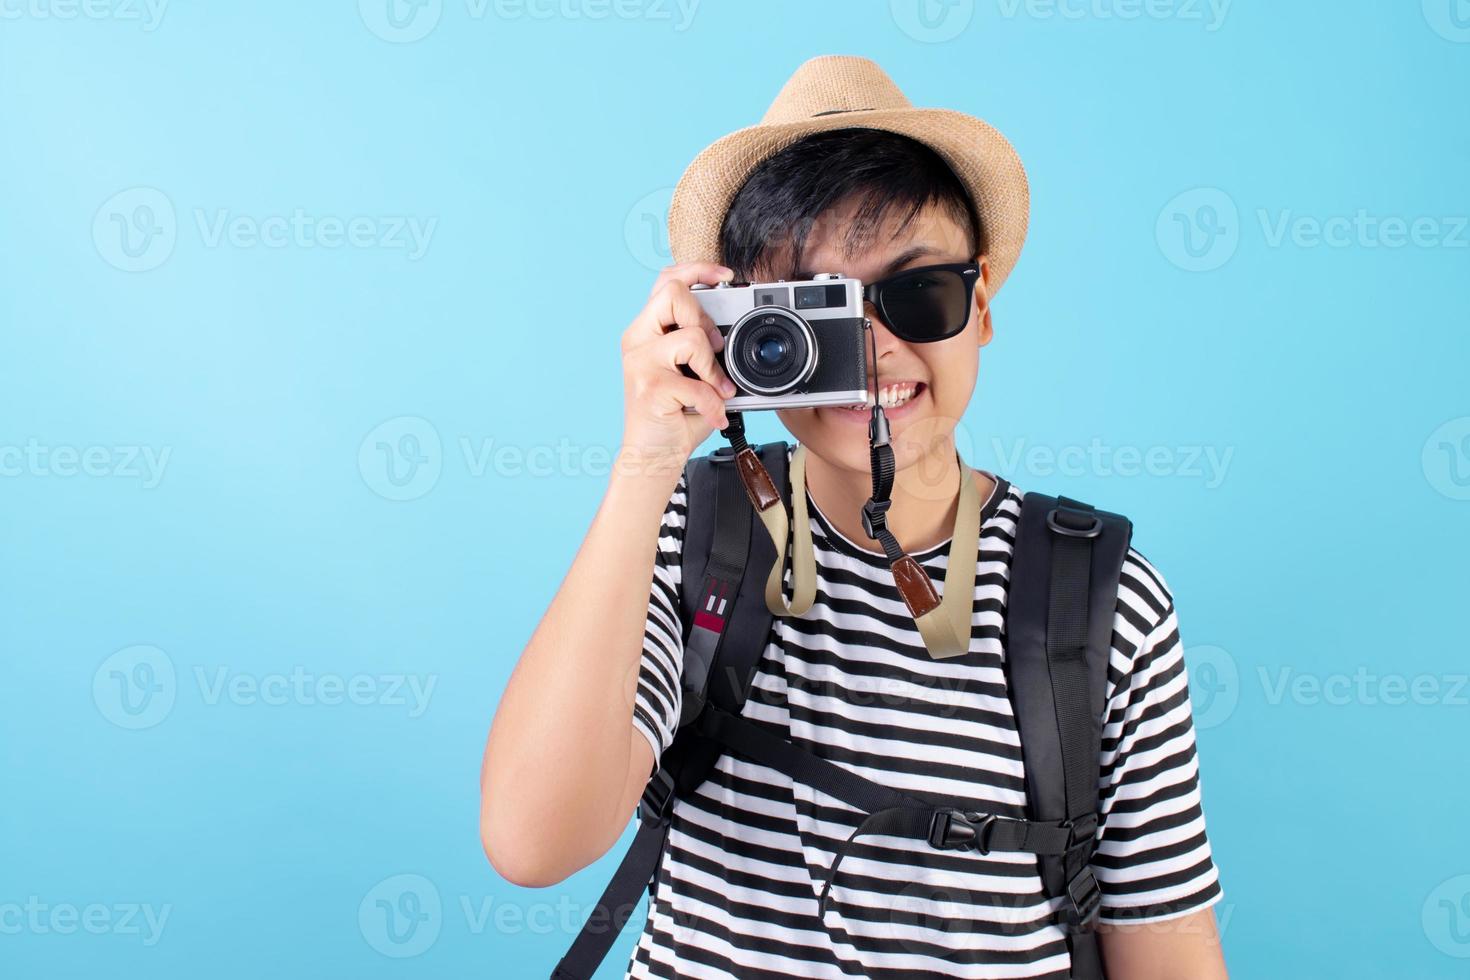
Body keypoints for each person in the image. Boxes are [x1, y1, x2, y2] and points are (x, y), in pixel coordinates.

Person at [481, 55, 1227, 979]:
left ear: (981, 308)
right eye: (811, 309)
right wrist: (646, 463)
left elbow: (1167, 945)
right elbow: (531, 843)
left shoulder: (1103, 599)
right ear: (740, 328)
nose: (874, 350)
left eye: (919, 294)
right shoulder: (687, 540)